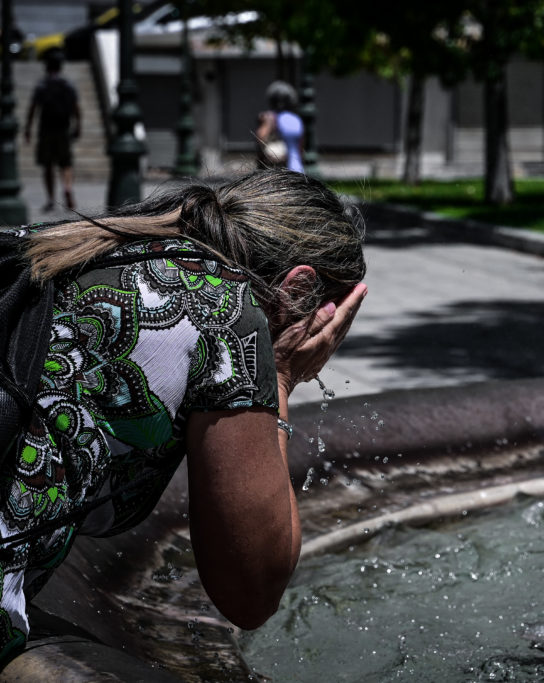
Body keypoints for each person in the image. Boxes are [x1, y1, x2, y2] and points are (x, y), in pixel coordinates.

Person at [0, 169, 367, 663]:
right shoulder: (223, 313)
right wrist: (278, 379)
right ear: (299, 293)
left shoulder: (95, 247)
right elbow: (251, 592)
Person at [24, 50, 81, 212]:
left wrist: (28, 128)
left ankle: (50, 199)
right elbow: (76, 107)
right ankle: (67, 188)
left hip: (46, 130)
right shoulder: (67, 84)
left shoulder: (42, 85)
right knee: (66, 163)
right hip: (63, 128)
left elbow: (33, 108)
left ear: (47, 67)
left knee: (48, 165)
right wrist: (78, 126)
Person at [255, 81, 305, 174]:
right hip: (298, 170)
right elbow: (301, 148)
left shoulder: (270, 117)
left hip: (279, 173)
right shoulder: (296, 120)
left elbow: (260, 140)